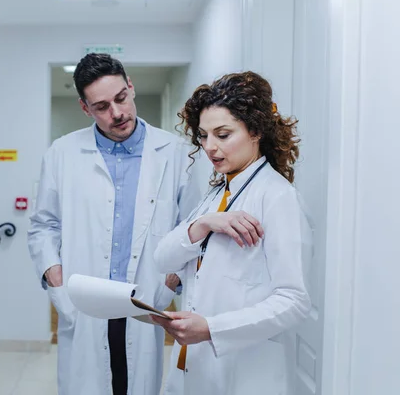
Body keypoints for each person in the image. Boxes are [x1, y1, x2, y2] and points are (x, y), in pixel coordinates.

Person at [27, 53, 204, 395]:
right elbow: (43, 225)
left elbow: (191, 227)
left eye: (121, 98)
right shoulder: (62, 153)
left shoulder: (175, 152)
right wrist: (55, 277)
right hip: (84, 301)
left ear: (131, 87)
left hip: (145, 300)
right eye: (102, 106)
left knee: (135, 383)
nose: (117, 113)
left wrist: (171, 282)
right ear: (85, 108)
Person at [151, 71, 313, 395]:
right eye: (203, 135)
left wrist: (211, 329)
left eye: (223, 135)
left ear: (255, 131)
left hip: (244, 371)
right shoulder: (217, 193)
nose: (210, 148)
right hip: (192, 365)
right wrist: (204, 224)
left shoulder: (277, 197)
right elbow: (162, 258)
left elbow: (294, 301)